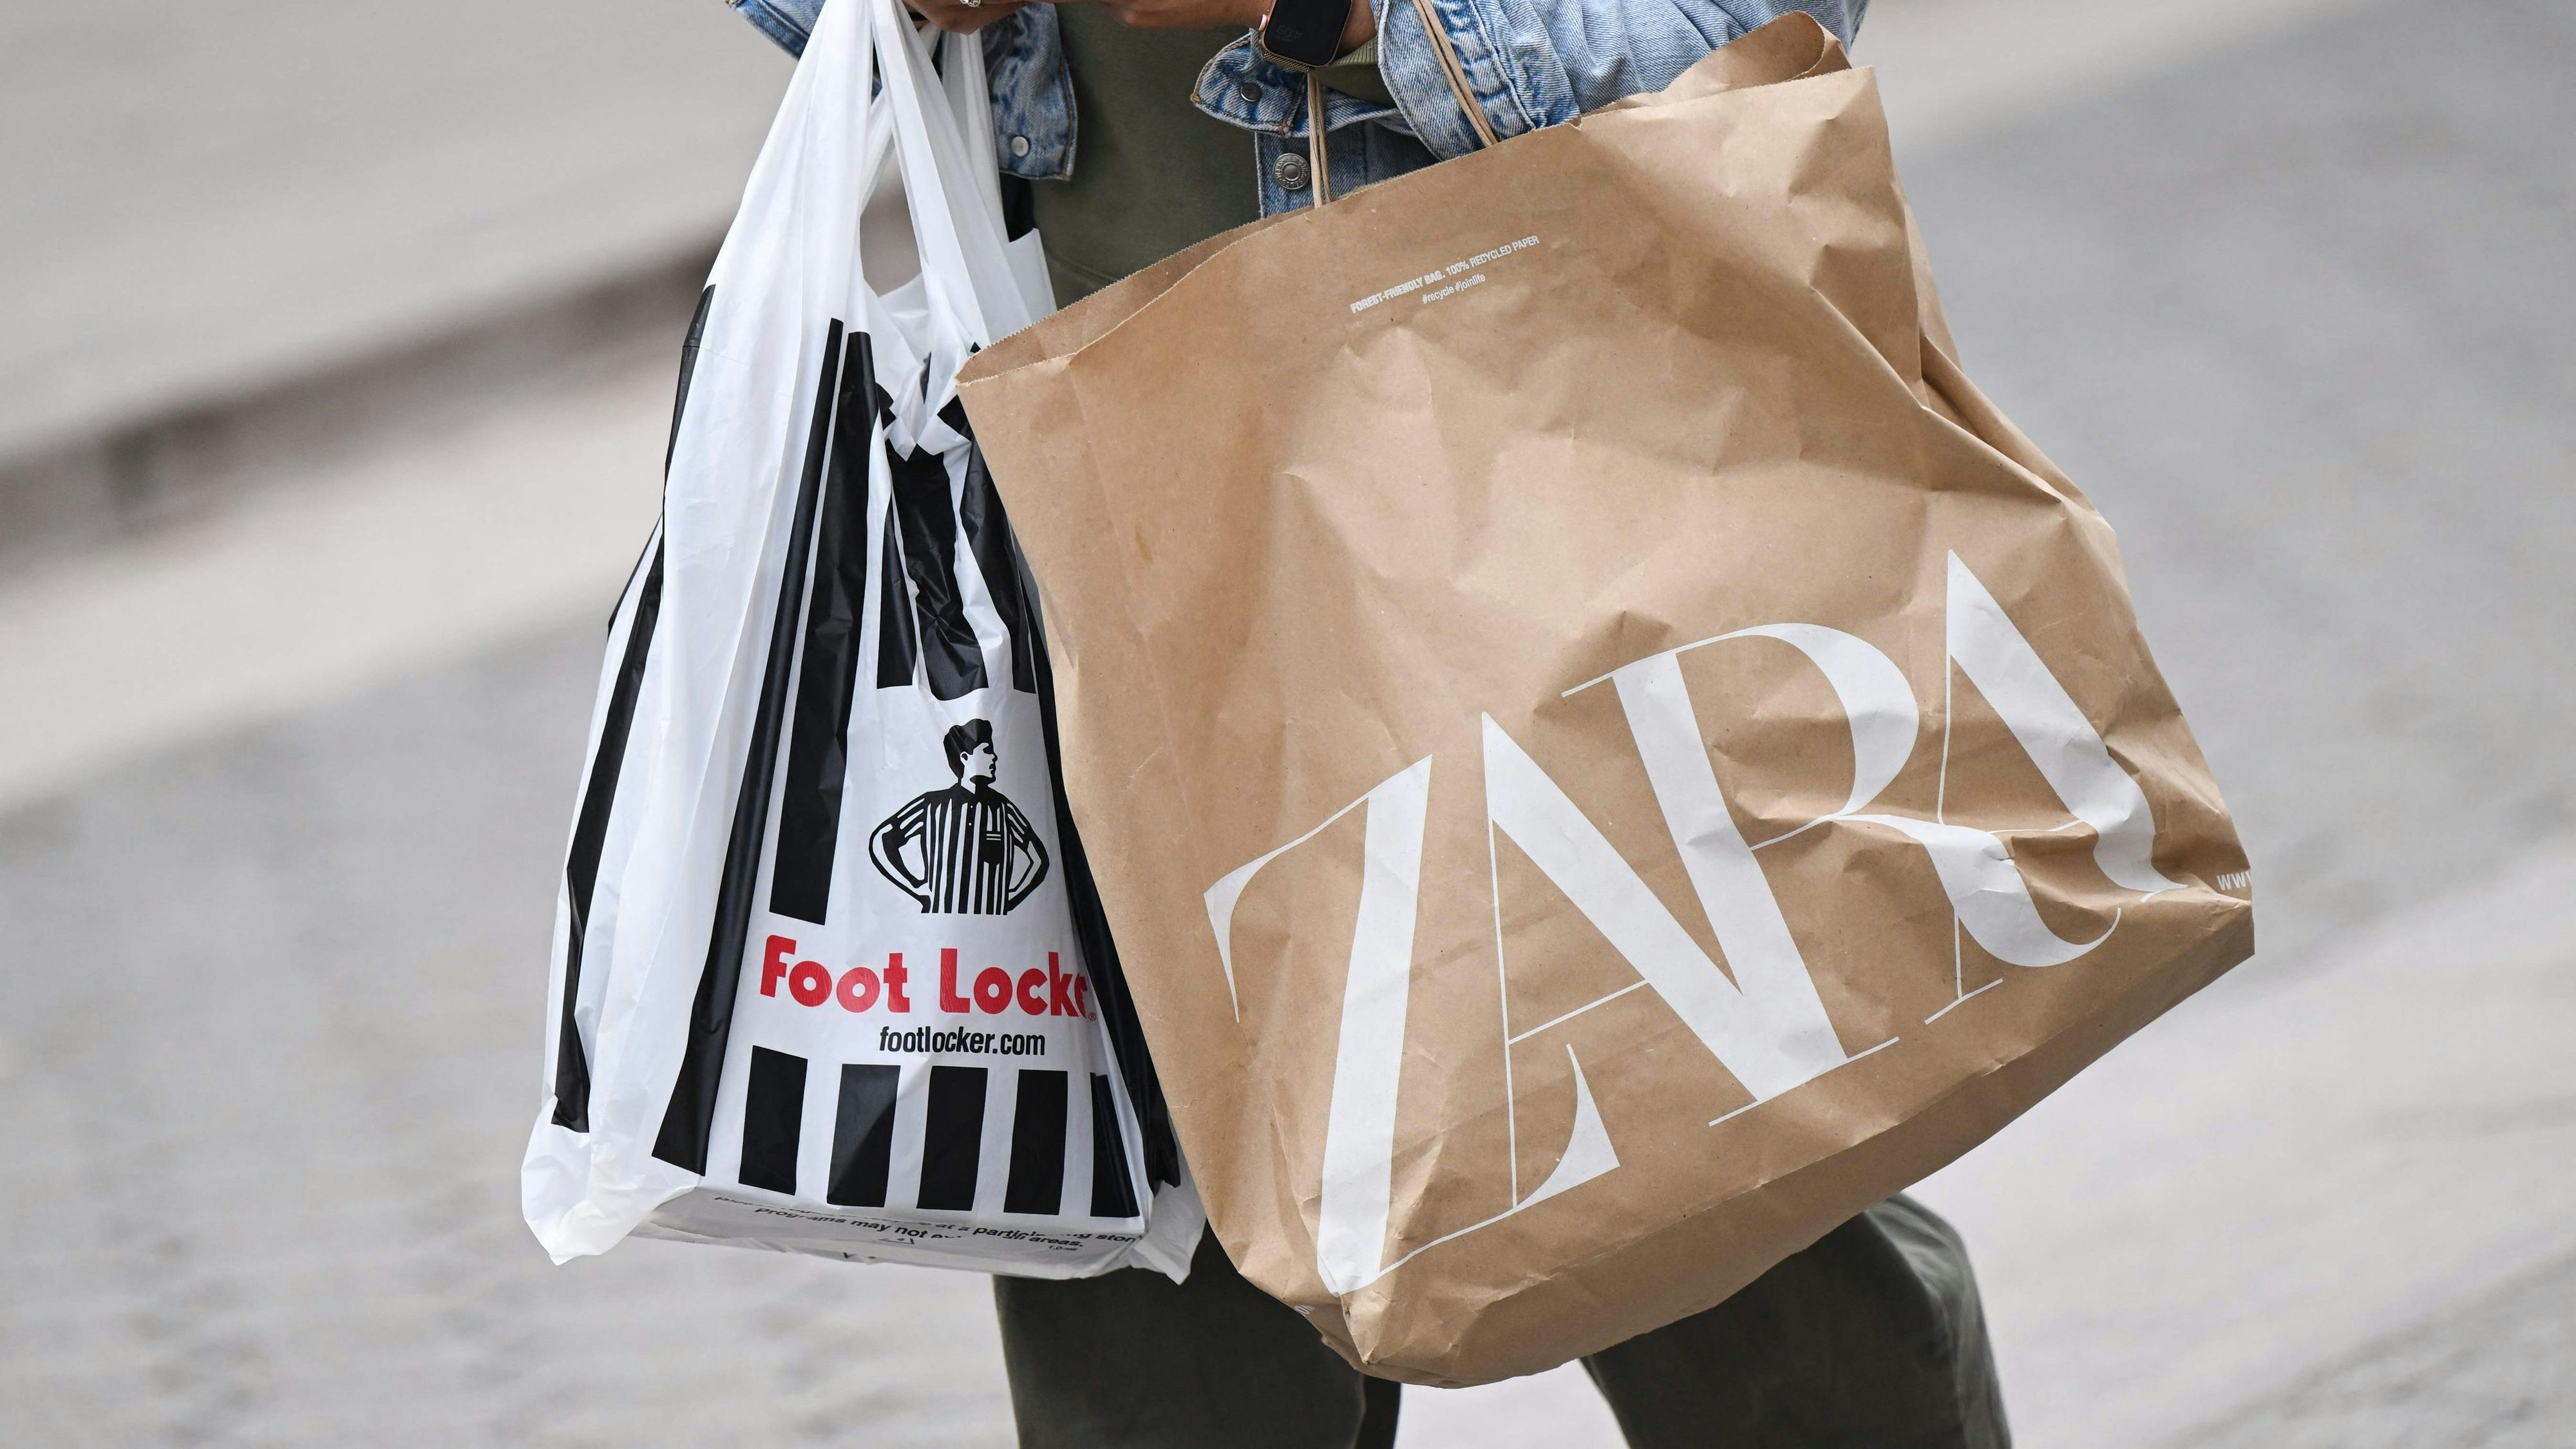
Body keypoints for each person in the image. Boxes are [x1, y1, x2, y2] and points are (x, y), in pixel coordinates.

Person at [731, 1, 2012, 1443]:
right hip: (1102, 473)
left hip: (1548, 437)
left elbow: (1742, 26)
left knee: (1738, 1239)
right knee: (1173, 1327)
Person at [869, 718, 1051, 914]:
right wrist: (915, 887)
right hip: (938, 925)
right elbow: (882, 839)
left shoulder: (1003, 809)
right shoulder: (931, 805)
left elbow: (1039, 858)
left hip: (995, 927)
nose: (995, 757)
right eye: (987, 751)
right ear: (965, 757)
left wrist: (1011, 899)